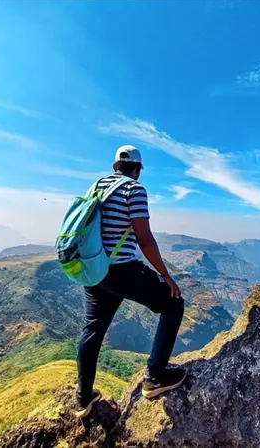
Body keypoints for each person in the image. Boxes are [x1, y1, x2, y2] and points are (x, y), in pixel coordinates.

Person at [74, 144, 186, 418]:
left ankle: (83, 398)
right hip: (122, 270)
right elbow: (144, 238)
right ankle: (155, 377)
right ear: (137, 169)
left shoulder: (97, 187)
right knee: (173, 305)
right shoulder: (134, 190)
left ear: (115, 166)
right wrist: (165, 274)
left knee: (93, 329)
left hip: (94, 269)